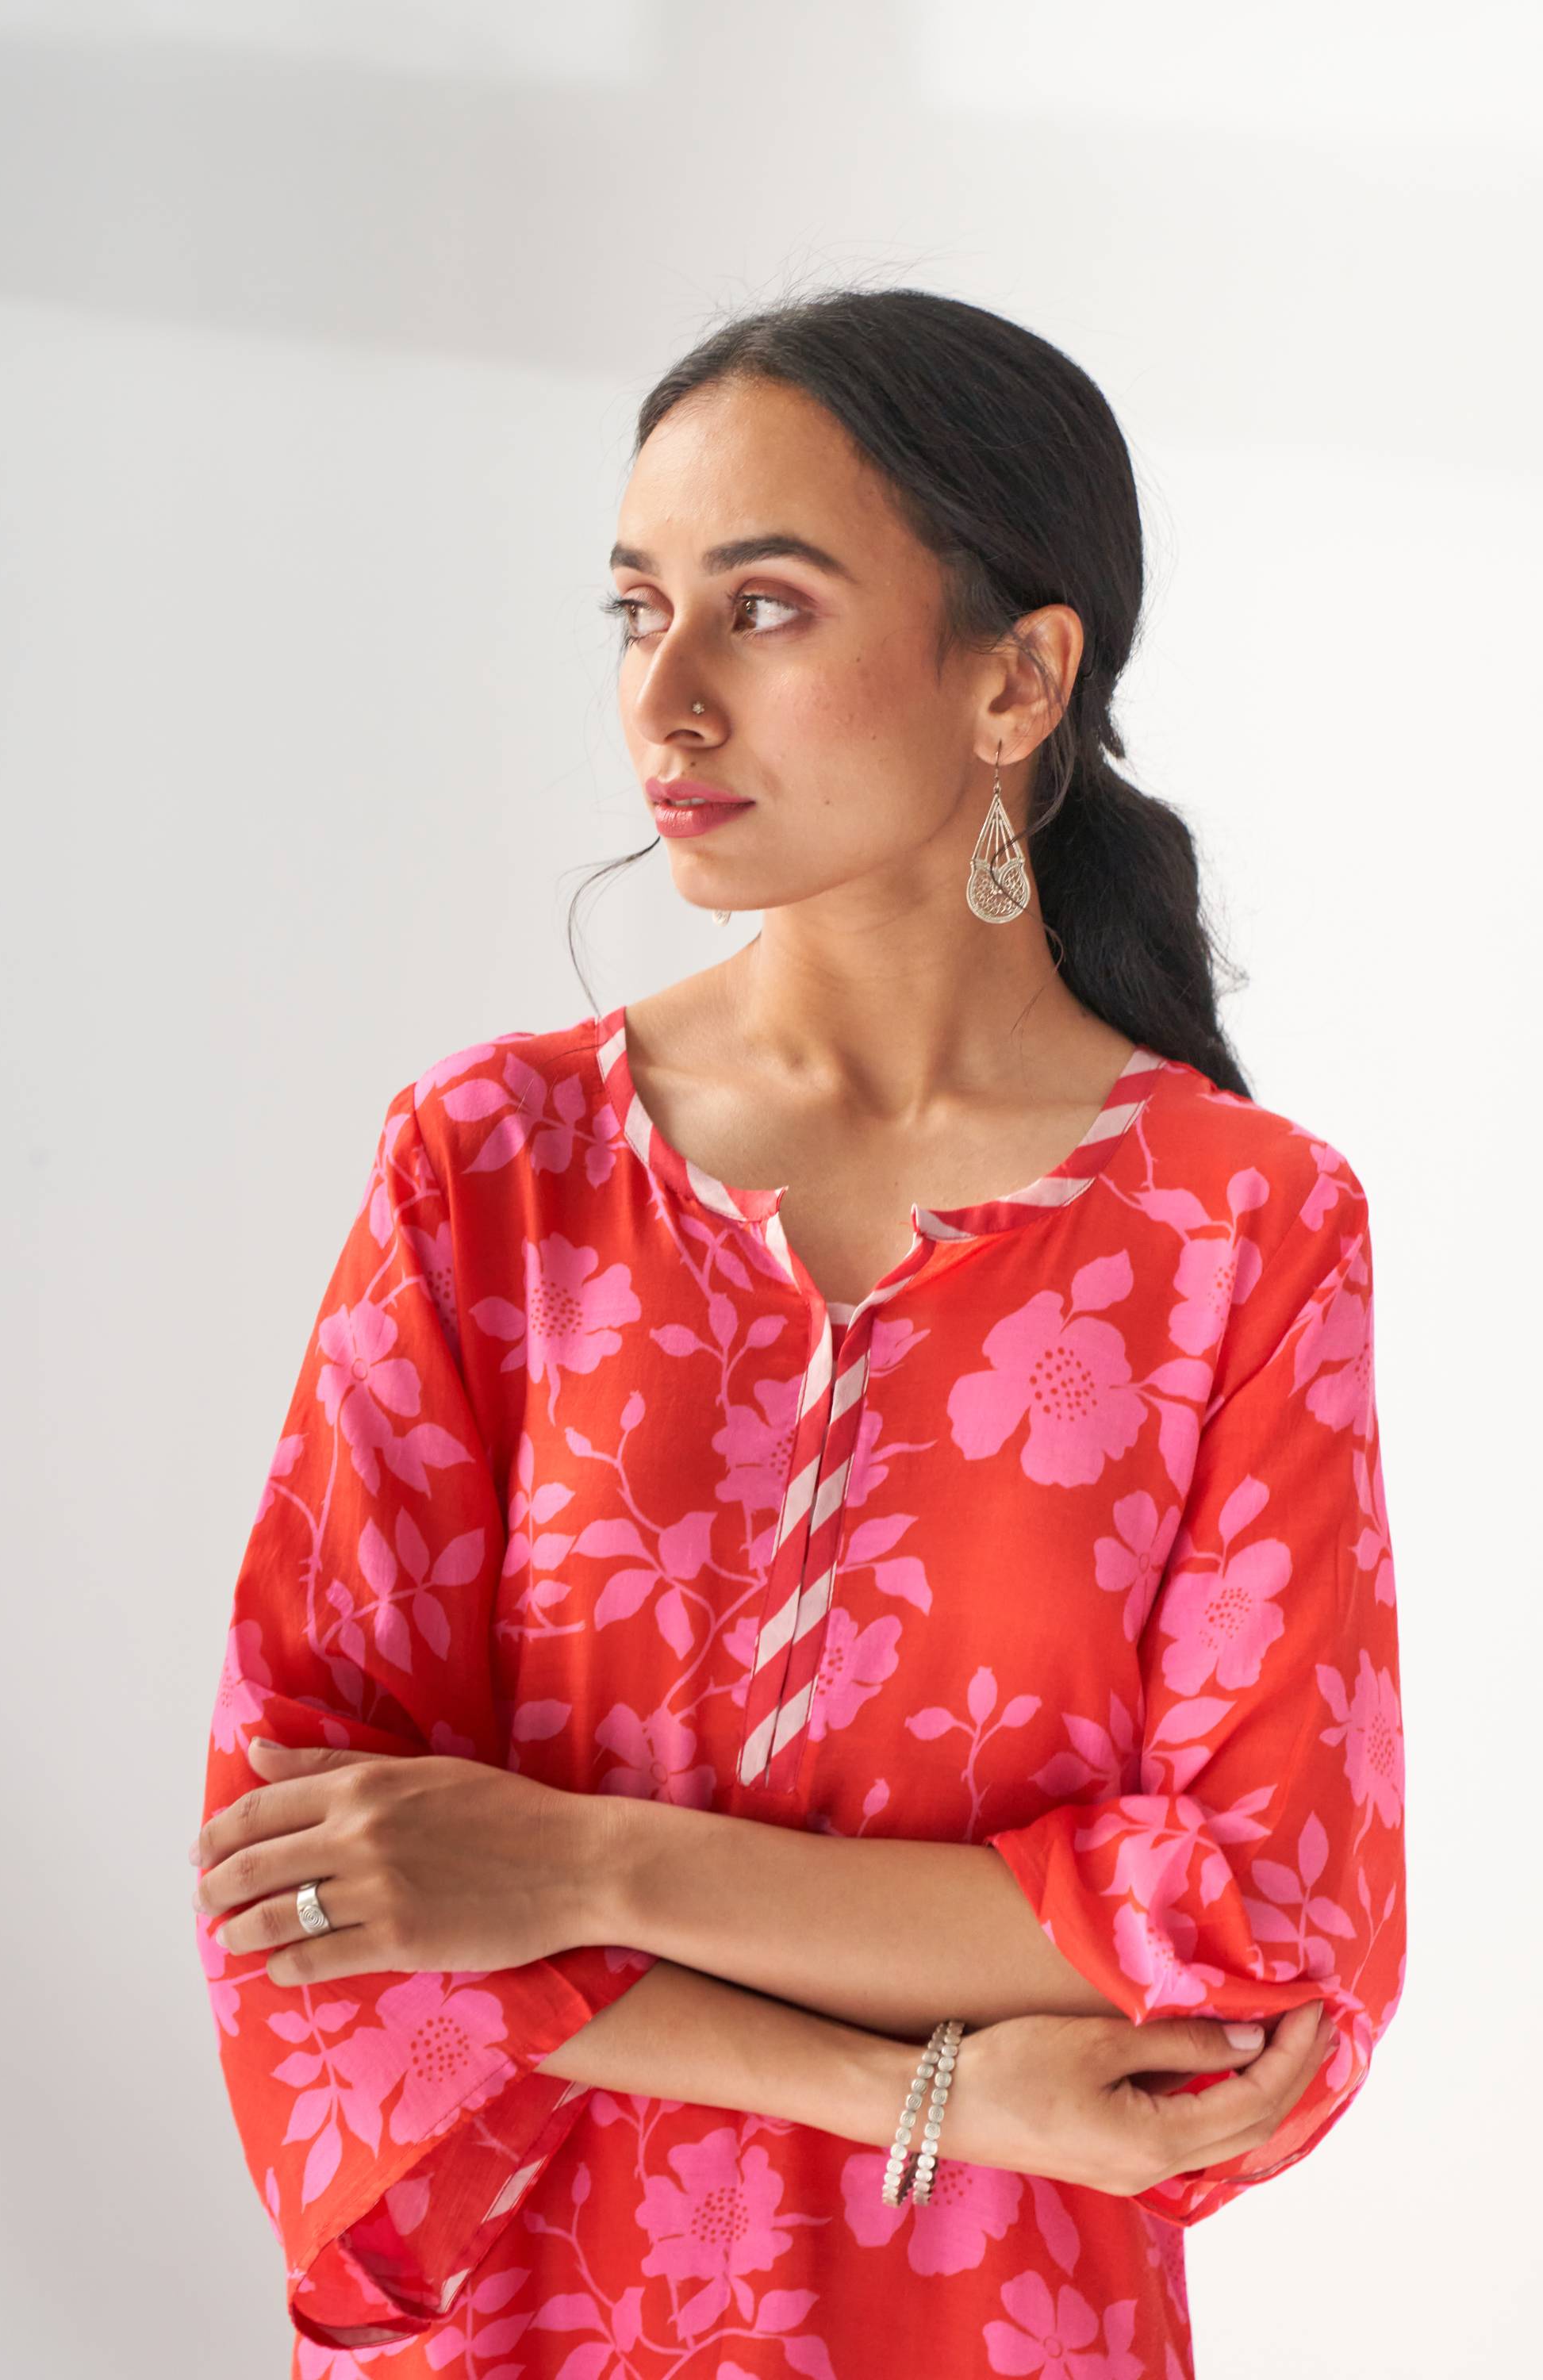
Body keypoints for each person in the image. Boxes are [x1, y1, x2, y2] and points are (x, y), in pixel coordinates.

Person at [191, 289, 1404, 2376]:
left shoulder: (1242, 1227)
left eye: (761, 610)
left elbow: (1256, 1930)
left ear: (1017, 679)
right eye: (635, 610)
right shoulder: (492, 1170)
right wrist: (944, 2084)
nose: (663, 701)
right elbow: (311, 1888)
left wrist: (571, 1866)